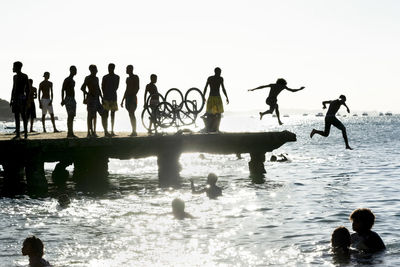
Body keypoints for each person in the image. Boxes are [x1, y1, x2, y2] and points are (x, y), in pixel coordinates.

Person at [81, 65, 110, 138]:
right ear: (91, 70)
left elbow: (98, 88)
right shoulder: (88, 78)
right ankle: (89, 132)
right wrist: (87, 95)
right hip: (91, 99)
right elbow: (82, 88)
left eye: (96, 69)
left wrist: (101, 97)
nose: (96, 71)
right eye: (95, 69)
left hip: (97, 100)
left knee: (103, 114)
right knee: (90, 116)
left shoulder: (97, 78)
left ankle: (105, 131)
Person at [202, 67, 229, 132]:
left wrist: (226, 97)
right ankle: (210, 128)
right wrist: (203, 96)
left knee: (218, 113)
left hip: (217, 97)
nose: (220, 73)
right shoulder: (211, 78)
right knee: (210, 113)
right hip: (212, 97)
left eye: (220, 72)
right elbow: (205, 87)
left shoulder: (220, 78)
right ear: (216, 72)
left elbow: (223, 88)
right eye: (219, 72)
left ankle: (216, 128)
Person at [10, 61, 29, 139]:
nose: (12, 68)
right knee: (16, 116)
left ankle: (25, 133)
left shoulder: (24, 76)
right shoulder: (14, 77)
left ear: (18, 67)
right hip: (15, 98)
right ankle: (18, 133)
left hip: (21, 97)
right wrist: (11, 99)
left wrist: (27, 98)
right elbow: (13, 88)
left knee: (23, 116)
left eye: (14, 67)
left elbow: (27, 88)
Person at [121, 65, 139, 136]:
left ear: (131, 69)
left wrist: (132, 95)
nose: (126, 70)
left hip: (132, 98)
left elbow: (137, 87)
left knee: (132, 113)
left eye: (127, 69)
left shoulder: (135, 77)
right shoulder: (127, 79)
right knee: (130, 114)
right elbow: (126, 89)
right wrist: (123, 100)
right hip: (128, 98)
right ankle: (133, 131)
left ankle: (134, 131)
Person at [102, 63, 120, 136]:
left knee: (112, 114)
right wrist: (104, 95)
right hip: (107, 97)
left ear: (113, 68)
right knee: (106, 114)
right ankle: (106, 131)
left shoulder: (117, 77)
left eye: (111, 68)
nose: (110, 69)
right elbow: (102, 87)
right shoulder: (105, 77)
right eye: (109, 68)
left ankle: (112, 131)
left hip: (113, 97)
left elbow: (116, 87)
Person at [61, 66, 78, 138]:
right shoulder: (67, 80)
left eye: (76, 70)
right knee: (70, 115)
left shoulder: (73, 81)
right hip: (68, 99)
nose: (76, 71)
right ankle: (69, 133)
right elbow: (63, 89)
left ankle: (71, 132)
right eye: (74, 70)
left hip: (73, 99)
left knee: (72, 116)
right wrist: (62, 100)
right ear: (71, 70)